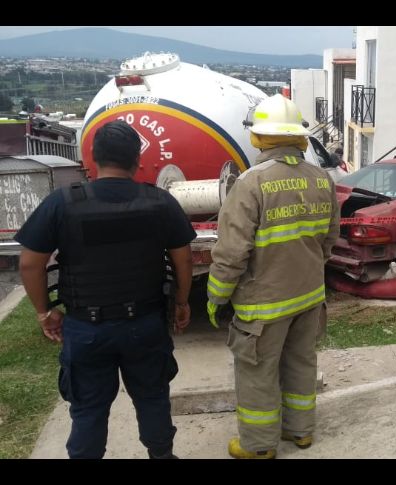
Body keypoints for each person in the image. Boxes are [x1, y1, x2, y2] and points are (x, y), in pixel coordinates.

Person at [15, 120, 196, 459]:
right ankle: (161, 455)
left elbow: (29, 263)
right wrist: (182, 302)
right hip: (145, 324)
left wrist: (44, 312)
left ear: (94, 159)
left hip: (86, 329)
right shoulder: (160, 202)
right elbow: (183, 259)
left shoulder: (62, 203)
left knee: (87, 410)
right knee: (153, 398)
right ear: (136, 161)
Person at [207, 94, 340, 459]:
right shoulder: (321, 179)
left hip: (263, 305)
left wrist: (217, 297)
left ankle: (259, 446)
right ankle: (300, 432)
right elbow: (329, 240)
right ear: (297, 136)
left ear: (259, 138)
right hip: (309, 297)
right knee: (301, 362)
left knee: (257, 372)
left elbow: (232, 252)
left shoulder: (250, 184)